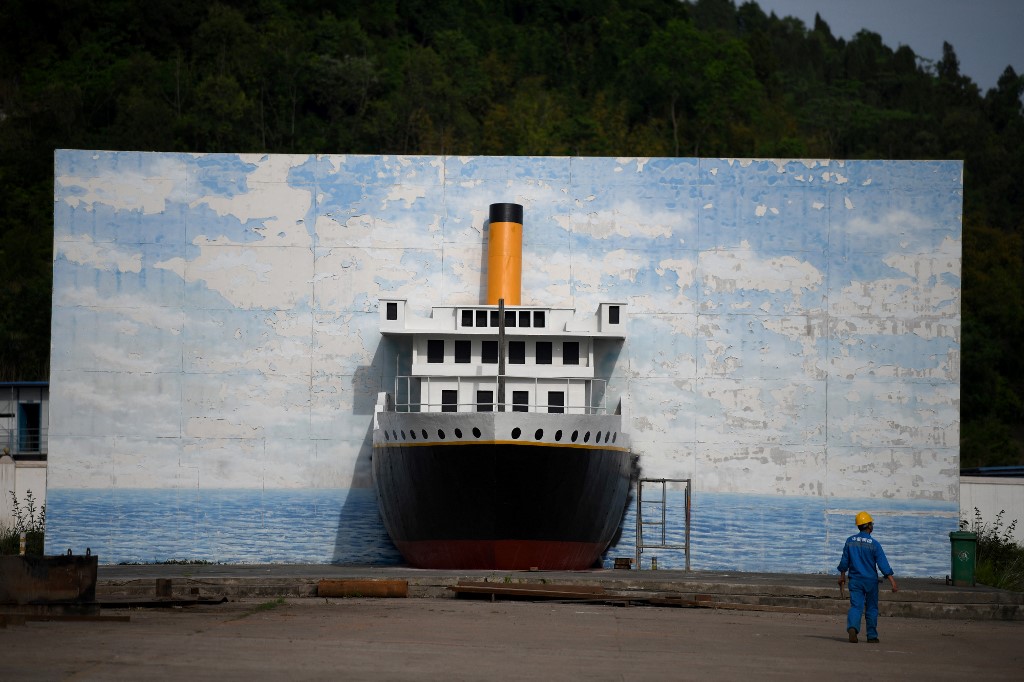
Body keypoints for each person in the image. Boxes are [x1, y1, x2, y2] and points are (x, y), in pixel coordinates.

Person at [837, 511, 898, 643]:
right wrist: (892, 582)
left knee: (856, 606)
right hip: (870, 581)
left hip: (855, 580)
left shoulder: (850, 541)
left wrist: (842, 576)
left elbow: (844, 562)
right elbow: (883, 565)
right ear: (869, 526)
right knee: (871, 608)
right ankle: (871, 636)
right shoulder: (874, 543)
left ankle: (853, 627)